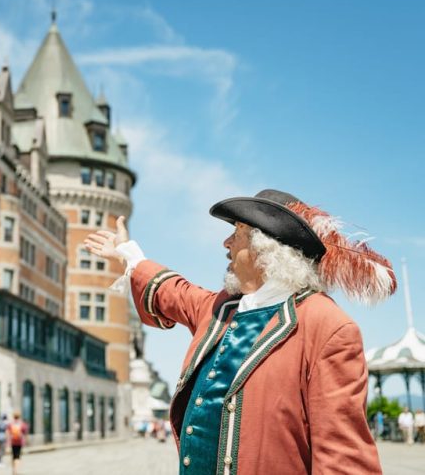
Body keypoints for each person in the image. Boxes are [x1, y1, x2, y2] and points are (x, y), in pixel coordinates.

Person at [85, 189, 397, 474]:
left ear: (266, 248)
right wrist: (127, 253)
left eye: (237, 233)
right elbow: (174, 292)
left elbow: (344, 460)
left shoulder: (327, 327)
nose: (226, 243)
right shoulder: (221, 308)